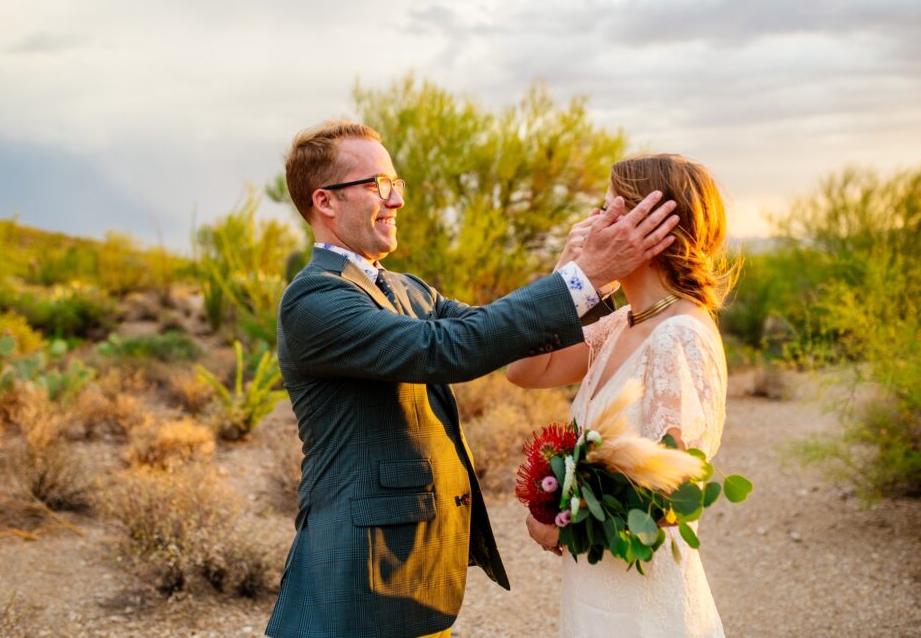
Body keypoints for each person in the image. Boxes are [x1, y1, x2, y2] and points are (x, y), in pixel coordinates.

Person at [264, 120, 680, 638]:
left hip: (414, 568)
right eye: (377, 185)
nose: (395, 200)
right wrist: (578, 279)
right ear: (324, 202)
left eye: (396, 184)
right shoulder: (315, 300)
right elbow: (445, 350)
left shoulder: (406, 289)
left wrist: (575, 269)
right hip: (359, 575)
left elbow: (491, 329)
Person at [507, 153, 736, 637]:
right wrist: (565, 276)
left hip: (644, 603)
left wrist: (562, 525)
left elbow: (670, 498)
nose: (590, 223)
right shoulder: (620, 323)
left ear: (648, 226)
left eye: (606, 208)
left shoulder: (679, 335)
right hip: (598, 589)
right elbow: (524, 369)